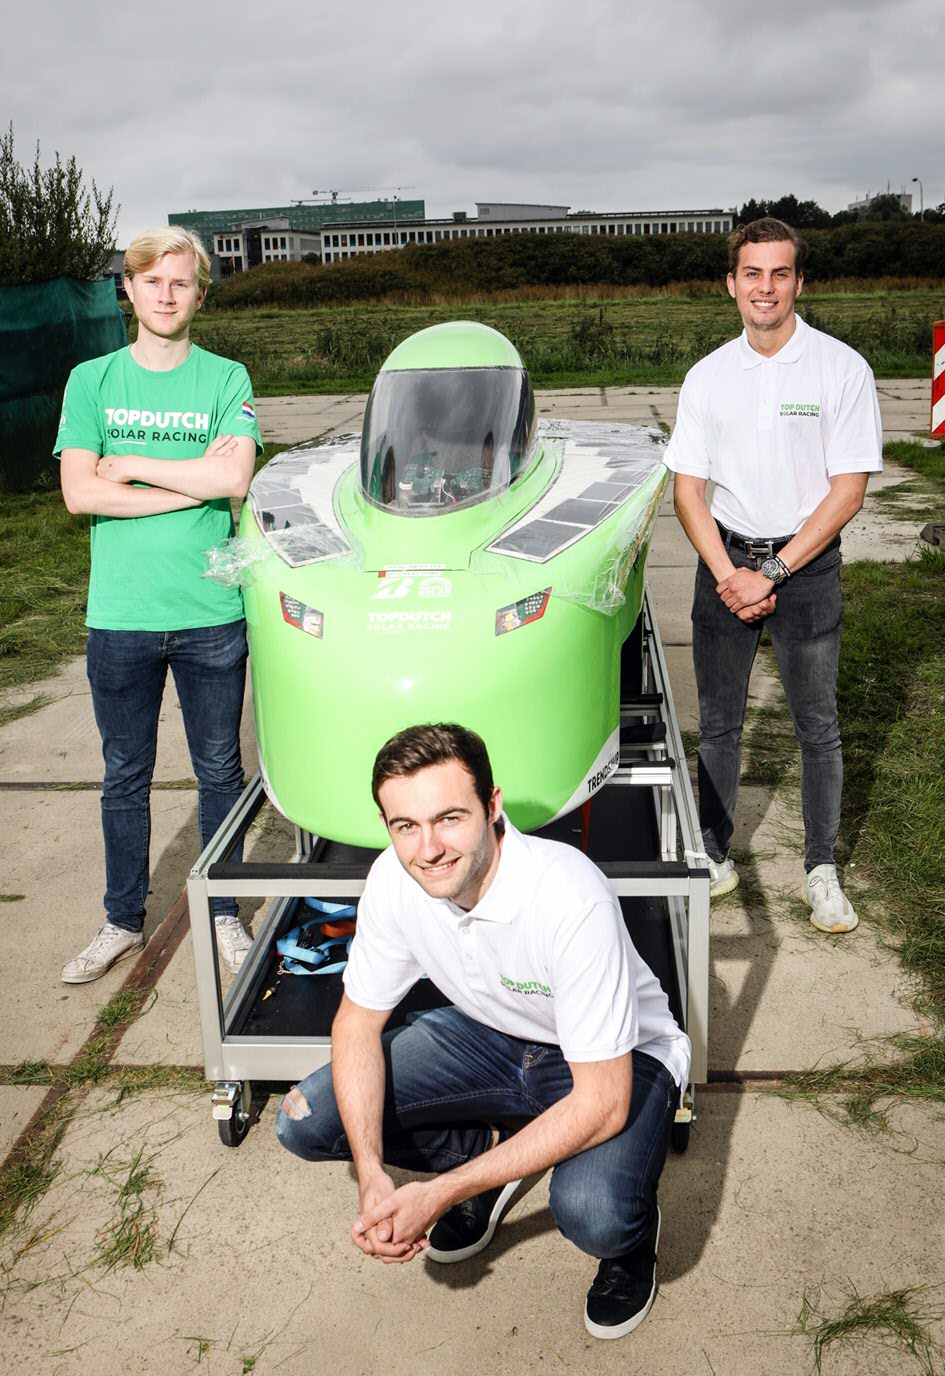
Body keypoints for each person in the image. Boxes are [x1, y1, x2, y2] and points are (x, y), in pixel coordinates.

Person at [276, 723, 690, 1341]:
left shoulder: (568, 897)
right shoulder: (395, 878)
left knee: (594, 1213)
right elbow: (355, 1026)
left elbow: (602, 1103)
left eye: (449, 818)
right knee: (305, 1119)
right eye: (405, 826)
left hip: (620, 1059)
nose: (428, 849)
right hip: (492, 1037)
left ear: (493, 806)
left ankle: (631, 1239)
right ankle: (482, 1155)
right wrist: (370, 1174)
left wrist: (437, 1194)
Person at [664, 218, 882, 933]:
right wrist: (730, 573)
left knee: (816, 726)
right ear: (731, 284)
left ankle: (821, 869)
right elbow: (687, 491)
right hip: (723, 564)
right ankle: (714, 855)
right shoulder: (707, 375)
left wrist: (775, 571)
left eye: (779, 273)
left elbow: (846, 490)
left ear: (798, 282)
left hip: (805, 566)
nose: (765, 288)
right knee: (719, 725)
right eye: (751, 274)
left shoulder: (839, 368)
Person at [56, 227, 263, 982]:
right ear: (130, 291)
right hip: (121, 615)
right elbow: (80, 493)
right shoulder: (93, 381)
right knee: (124, 775)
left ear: (199, 294)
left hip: (210, 611)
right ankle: (119, 920)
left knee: (218, 771)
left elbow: (234, 483)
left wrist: (136, 468)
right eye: (153, 283)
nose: (166, 295)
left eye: (181, 283)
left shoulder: (225, 377)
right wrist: (189, 480)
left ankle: (223, 915)